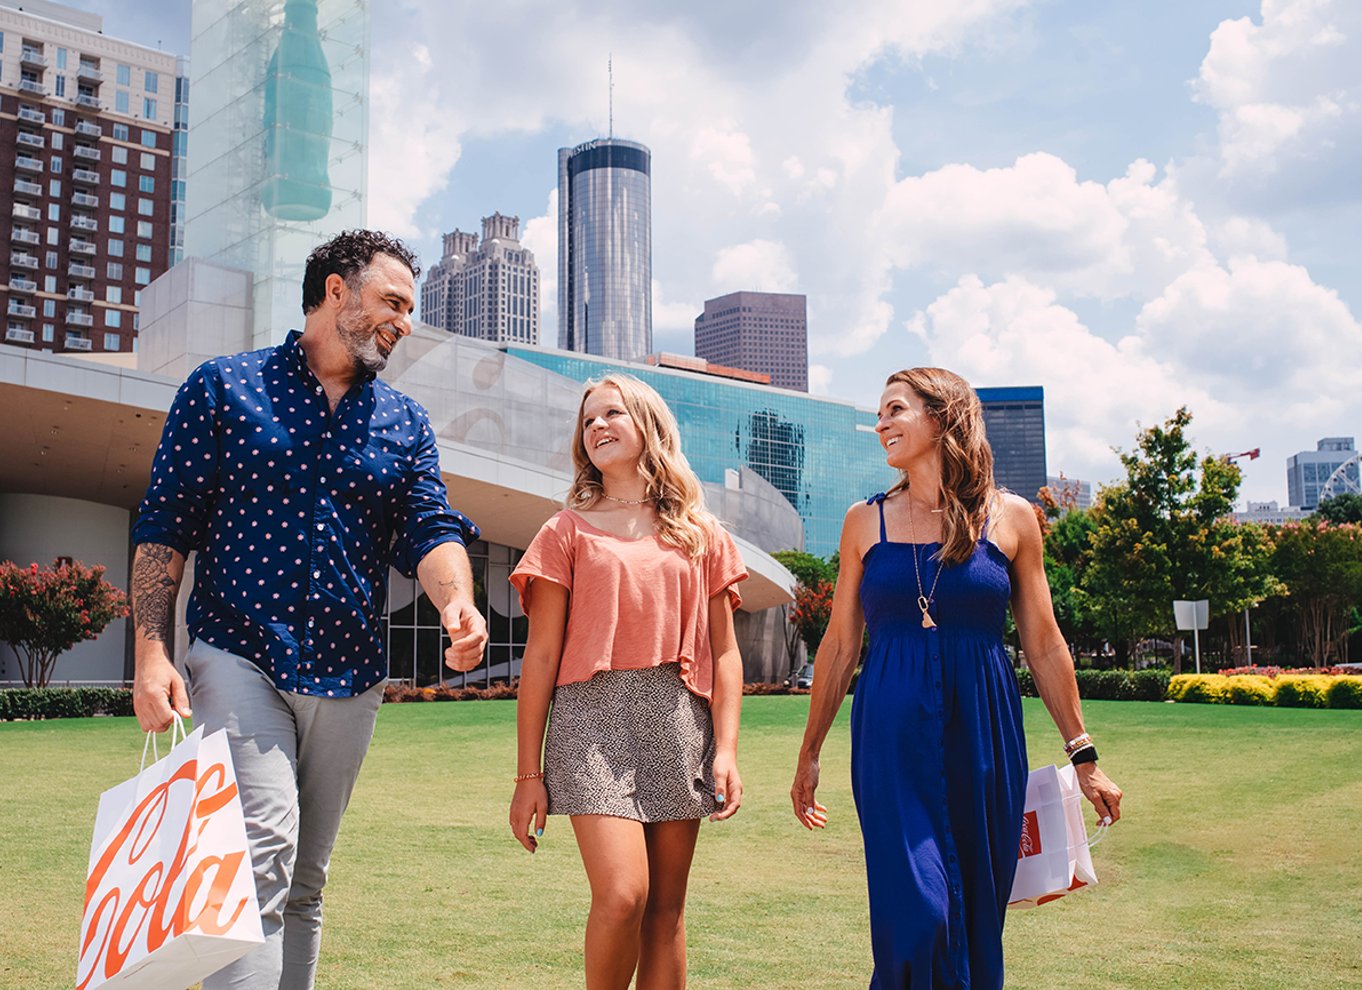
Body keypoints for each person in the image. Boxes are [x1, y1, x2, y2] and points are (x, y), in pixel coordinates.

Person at [129, 229, 488, 990]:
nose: (406, 321)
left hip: (350, 675)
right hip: (238, 655)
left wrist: (456, 603)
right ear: (335, 291)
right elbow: (165, 527)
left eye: (411, 308)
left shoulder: (404, 421)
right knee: (259, 854)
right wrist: (152, 653)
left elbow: (430, 525)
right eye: (393, 301)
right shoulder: (224, 388)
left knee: (305, 883)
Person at [790, 367, 1123, 990]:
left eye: (895, 410)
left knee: (974, 918)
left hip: (985, 730)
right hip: (889, 732)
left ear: (941, 418)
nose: (881, 423)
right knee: (917, 917)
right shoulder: (864, 523)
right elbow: (839, 645)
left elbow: (1045, 644)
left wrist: (1085, 755)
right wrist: (810, 752)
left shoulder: (1014, 519)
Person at [508, 374, 747, 989]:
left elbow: (725, 652)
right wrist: (527, 775)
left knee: (666, 913)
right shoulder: (565, 531)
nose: (597, 428)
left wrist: (726, 750)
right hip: (591, 725)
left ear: (649, 426)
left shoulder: (702, 533)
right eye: (588, 421)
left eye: (612, 414)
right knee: (622, 896)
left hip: (676, 722)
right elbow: (539, 658)